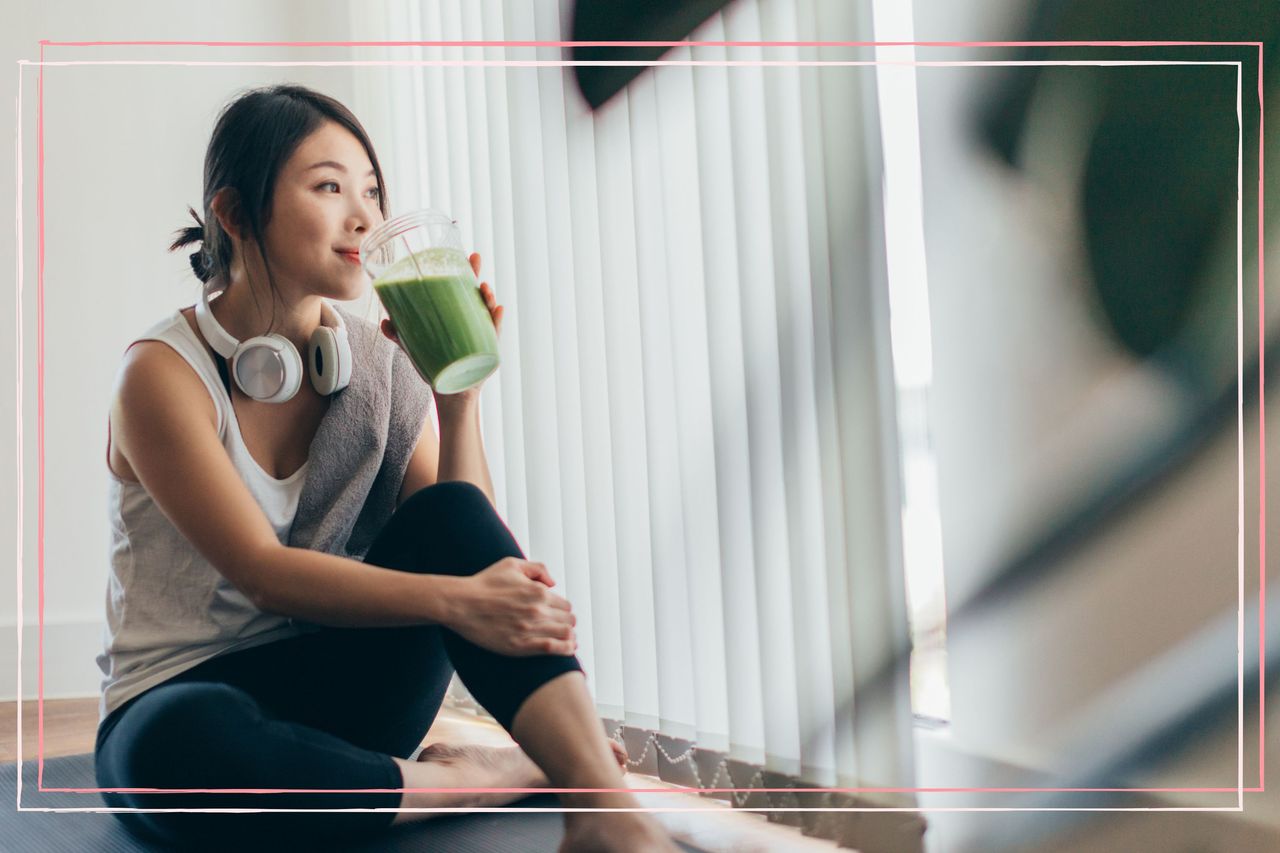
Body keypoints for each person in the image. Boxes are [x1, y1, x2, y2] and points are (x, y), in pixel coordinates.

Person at [93, 84, 676, 852]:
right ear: (234, 214)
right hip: (184, 697)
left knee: (443, 516)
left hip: (341, 687)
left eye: (371, 190)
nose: (363, 216)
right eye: (330, 186)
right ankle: (481, 776)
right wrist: (458, 602)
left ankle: (605, 812)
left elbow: (464, 531)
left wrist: (453, 396)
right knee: (182, 745)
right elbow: (264, 571)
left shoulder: (376, 365)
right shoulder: (163, 375)